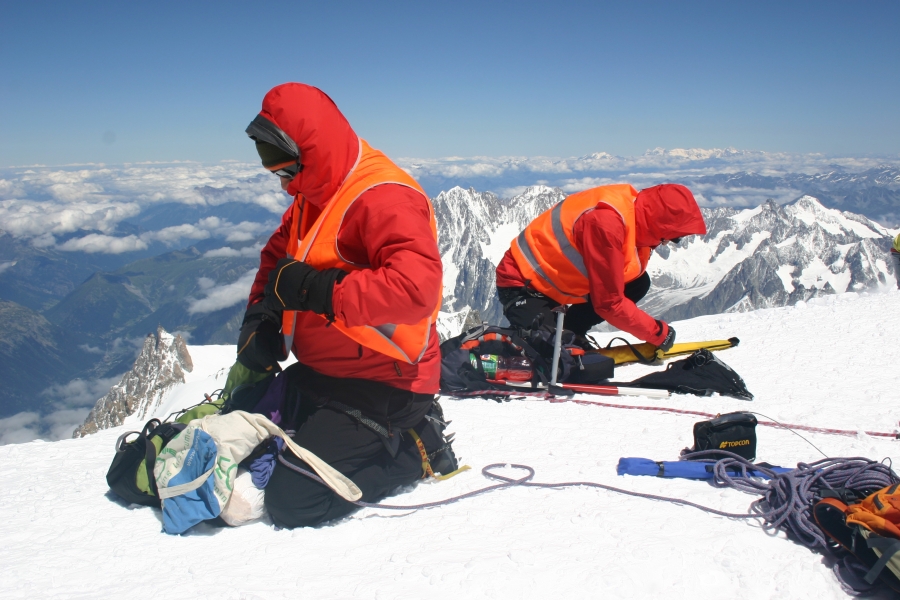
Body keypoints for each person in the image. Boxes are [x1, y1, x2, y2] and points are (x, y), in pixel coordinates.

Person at [233, 83, 457, 528]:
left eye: (285, 171)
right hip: (327, 373)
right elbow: (277, 257)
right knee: (242, 425)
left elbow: (418, 289)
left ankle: (417, 452)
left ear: (310, 152)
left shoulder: (384, 197)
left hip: (389, 383)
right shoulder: (312, 195)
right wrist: (261, 314)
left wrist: (320, 291)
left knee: (294, 499)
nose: (282, 184)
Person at [495, 183, 707, 349]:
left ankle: (571, 331)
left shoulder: (631, 209)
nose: (668, 242)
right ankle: (485, 349)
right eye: (672, 237)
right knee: (545, 355)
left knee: (637, 284)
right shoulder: (606, 224)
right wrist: (657, 333)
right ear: (658, 224)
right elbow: (609, 304)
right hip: (522, 284)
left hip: (552, 282)